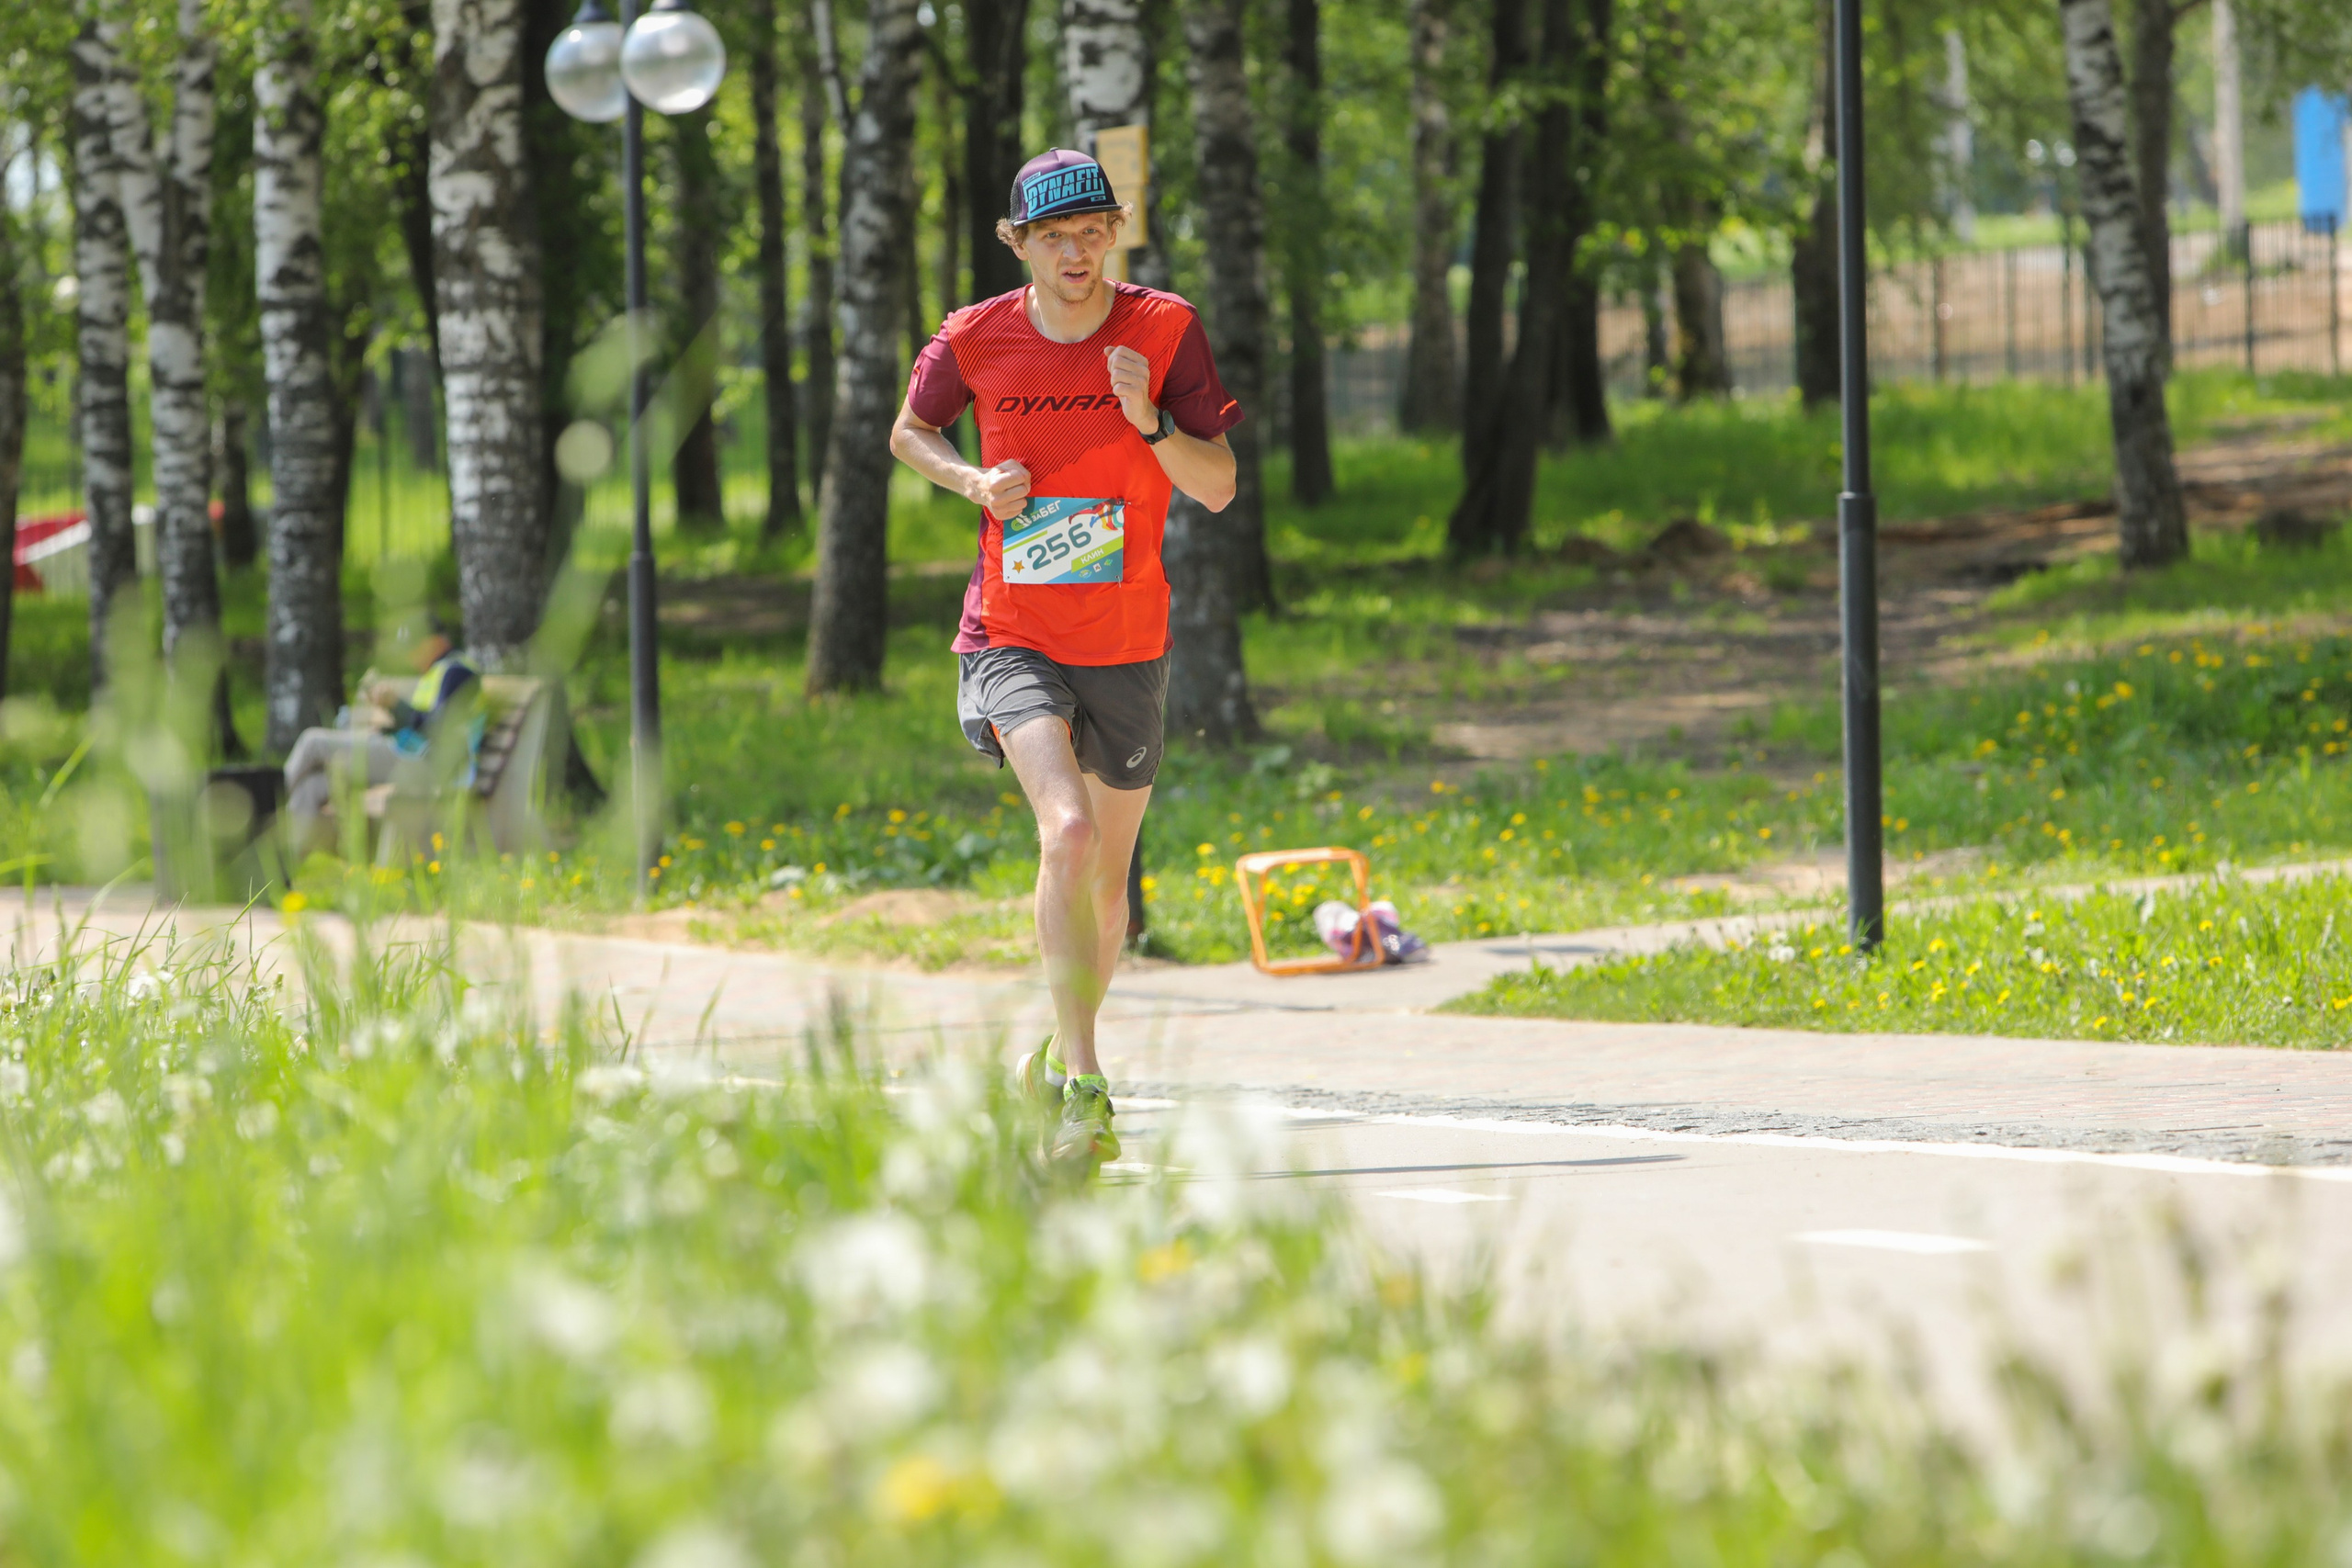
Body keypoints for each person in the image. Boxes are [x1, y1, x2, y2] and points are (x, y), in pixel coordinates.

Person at [888, 148, 1241, 1165]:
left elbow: (1217, 485)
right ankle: (1086, 1086)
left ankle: (1052, 1056)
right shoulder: (976, 336)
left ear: (1115, 230)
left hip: (1128, 639)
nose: (1075, 253)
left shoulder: (1163, 329)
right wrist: (969, 482)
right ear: (1018, 244)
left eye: (1091, 232)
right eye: (1053, 237)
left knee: (1110, 887)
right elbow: (910, 431)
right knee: (1070, 832)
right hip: (1013, 631)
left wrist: (1150, 421)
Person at [282, 619, 480, 854]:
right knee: (313, 786)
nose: (410, 655)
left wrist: (396, 705)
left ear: (436, 642)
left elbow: (437, 729)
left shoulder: (457, 672)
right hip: (408, 754)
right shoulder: (438, 674)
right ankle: (287, 860)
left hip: (423, 764)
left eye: (414, 646)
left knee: (313, 741)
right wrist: (383, 719)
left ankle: (266, 801)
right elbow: (419, 722)